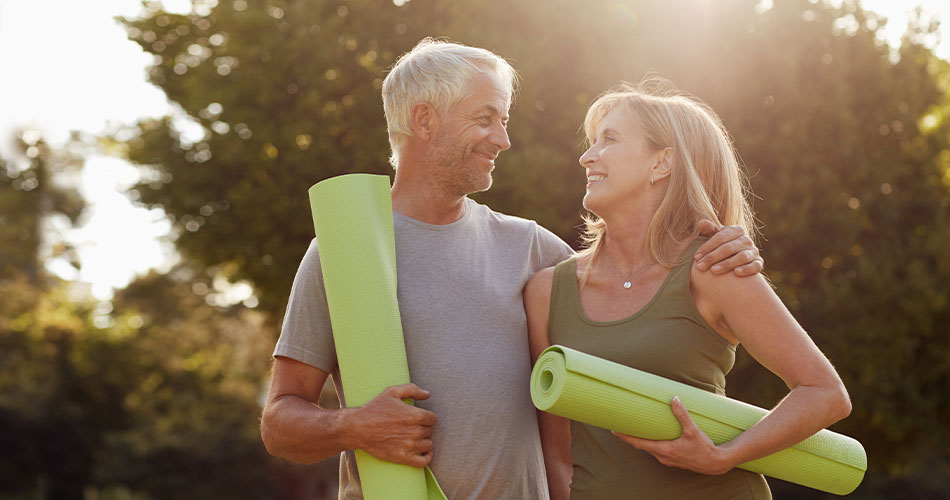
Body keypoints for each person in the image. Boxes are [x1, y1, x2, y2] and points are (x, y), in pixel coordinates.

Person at [260, 40, 763, 499]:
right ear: (425, 120)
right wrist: (353, 427)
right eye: (485, 118)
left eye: (503, 121)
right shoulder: (345, 255)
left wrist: (724, 244)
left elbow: (642, 293)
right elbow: (280, 422)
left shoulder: (531, 249)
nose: (502, 139)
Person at [524, 80, 853, 500]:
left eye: (608, 140)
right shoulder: (546, 291)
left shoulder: (714, 267)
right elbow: (556, 451)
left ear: (661, 164)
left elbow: (825, 393)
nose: (587, 156)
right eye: (591, 142)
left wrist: (727, 454)